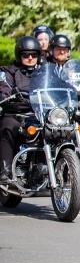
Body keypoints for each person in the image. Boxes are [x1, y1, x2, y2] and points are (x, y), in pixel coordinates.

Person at [0, 36, 41, 182]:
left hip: (38, 114)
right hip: (15, 113)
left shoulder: (45, 72)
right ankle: (5, 170)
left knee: (59, 130)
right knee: (9, 127)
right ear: (19, 55)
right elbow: (4, 85)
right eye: (25, 55)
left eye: (33, 54)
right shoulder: (9, 72)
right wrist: (5, 93)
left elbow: (59, 85)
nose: (30, 58)